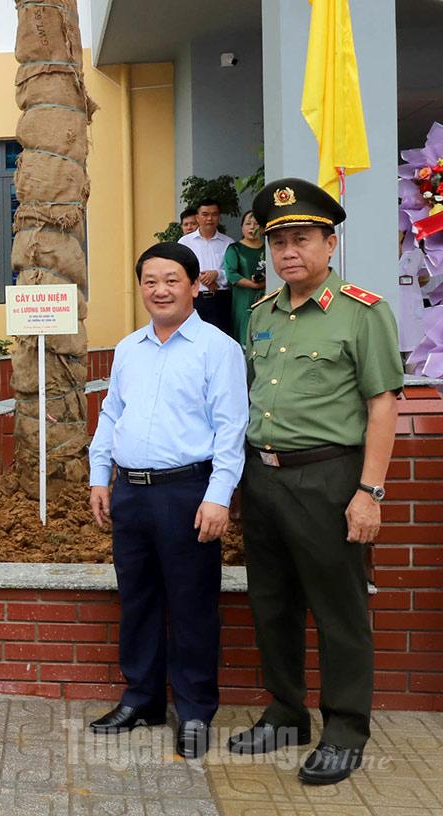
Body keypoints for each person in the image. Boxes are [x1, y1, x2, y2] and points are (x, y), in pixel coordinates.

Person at [228, 179, 403, 785]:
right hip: (264, 478)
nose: (288, 253)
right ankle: (285, 713)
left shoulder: (362, 312)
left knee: (338, 611)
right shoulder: (261, 315)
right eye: (278, 243)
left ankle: (346, 729)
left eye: (302, 239)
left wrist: (369, 492)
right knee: (272, 604)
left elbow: (383, 404)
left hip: (328, 478)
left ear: (330, 244)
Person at [87, 242, 247, 759]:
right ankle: (142, 699)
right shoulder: (128, 348)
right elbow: (111, 413)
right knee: (137, 601)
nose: (160, 290)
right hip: (131, 493)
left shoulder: (218, 348)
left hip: (187, 493)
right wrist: (99, 476)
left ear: (195, 285)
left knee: (192, 606)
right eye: (150, 281)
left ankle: (195, 711)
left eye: (172, 280)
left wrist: (219, 496)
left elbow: (231, 428)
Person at [178, 198, 234, 334]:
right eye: (205, 214)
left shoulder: (228, 243)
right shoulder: (185, 242)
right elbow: (179, 270)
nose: (209, 218)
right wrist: (203, 280)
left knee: (221, 336)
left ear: (219, 217)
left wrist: (217, 275)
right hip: (194, 299)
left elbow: (233, 271)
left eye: (214, 214)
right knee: (193, 336)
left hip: (220, 299)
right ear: (197, 217)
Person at [223, 210, 267, 345]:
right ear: (242, 227)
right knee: (245, 336)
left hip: (267, 298)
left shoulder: (269, 249)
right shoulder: (235, 249)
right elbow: (231, 274)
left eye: (256, 224)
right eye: (248, 224)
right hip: (244, 300)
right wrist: (254, 285)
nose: (252, 227)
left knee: (265, 334)